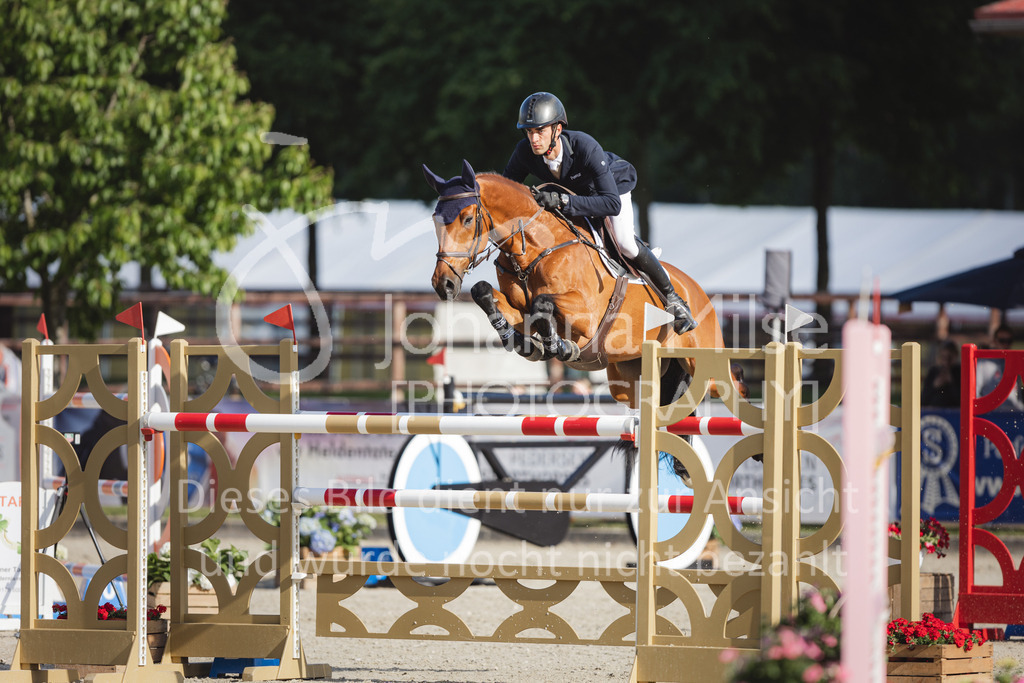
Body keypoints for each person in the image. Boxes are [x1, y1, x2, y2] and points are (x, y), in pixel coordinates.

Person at [502, 92, 696, 334]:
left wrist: (562, 201)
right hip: (576, 196)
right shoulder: (524, 152)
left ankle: (674, 300)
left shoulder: (585, 146)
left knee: (625, 243)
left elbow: (611, 204)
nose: (534, 139)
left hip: (611, 190)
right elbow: (506, 193)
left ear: (558, 129)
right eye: (529, 132)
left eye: (540, 131)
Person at [976, 324, 1023, 411]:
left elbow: (1018, 395)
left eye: (1009, 341)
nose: (1005, 344)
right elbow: (975, 393)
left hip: (1013, 414)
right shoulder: (983, 363)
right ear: (994, 341)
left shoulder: (1015, 363)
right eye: (1002, 340)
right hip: (992, 416)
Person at [922, 340, 961, 408]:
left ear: (956, 356)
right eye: (943, 357)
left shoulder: (959, 372)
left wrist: (951, 383)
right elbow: (923, 400)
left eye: (949, 358)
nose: (946, 362)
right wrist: (934, 386)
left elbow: (962, 400)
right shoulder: (933, 372)